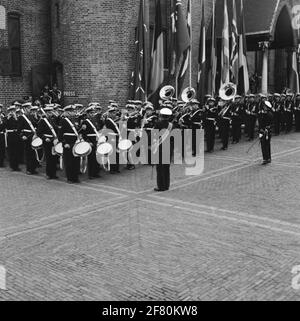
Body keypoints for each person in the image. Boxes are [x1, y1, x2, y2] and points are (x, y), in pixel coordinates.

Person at [59, 105, 81, 183]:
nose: (73, 112)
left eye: (73, 111)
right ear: (67, 112)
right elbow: (60, 134)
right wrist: (64, 143)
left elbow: (77, 131)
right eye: (72, 111)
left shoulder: (75, 120)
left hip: (75, 143)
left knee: (76, 161)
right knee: (69, 162)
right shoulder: (63, 121)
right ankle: (70, 178)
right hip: (68, 144)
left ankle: (75, 177)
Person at [153, 107, 173, 192]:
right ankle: (166, 185)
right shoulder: (172, 125)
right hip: (169, 148)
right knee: (166, 167)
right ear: (169, 117)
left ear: (161, 115)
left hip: (160, 148)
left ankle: (161, 186)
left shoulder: (158, 124)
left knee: (160, 168)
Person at [36, 105, 59, 179]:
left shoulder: (52, 120)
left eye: (50, 112)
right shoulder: (42, 121)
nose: (50, 114)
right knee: (49, 158)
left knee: (54, 158)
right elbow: (39, 132)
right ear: (45, 113)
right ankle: (49, 174)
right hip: (47, 141)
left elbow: (55, 128)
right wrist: (45, 138)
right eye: (48, 112)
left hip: (53, 140)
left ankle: (54, 174)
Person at [80, 106, 101, 179]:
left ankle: (96, 172)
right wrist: (88, 141)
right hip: (90, 140)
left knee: (97, 157)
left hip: (96, 140)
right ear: (87, 114)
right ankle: (91, 174)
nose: (92, 114)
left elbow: (98, 130)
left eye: (93, 113)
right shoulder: (85, 122)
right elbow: (83, 133)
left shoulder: (95, 120)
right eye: (91, 113)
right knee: (91, 158)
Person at [18, 105, 39, 175]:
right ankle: (29, 169)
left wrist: (37, 118)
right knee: (28, 154)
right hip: (27, 137)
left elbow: (36, 125)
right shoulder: (21, 117)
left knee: (33, 153)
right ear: (24, 109)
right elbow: (19, 129)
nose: (30, 110)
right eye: (28, 108)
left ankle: (33, 168)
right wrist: (22, 135)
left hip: (33, 136)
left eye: (30, 108)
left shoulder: (31, 116)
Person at [6, 106, 21, 171]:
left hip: (16, 135)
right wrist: (8, 118)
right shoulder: (6, 118)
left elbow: (19, 126)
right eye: (11, 110)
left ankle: (16, 166)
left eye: (13, 110)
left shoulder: (17, 118)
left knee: (17, 151)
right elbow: (4, 126)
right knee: (11, 151)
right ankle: (12, 166)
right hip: (10, 135)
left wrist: (15, 118)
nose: (12, 112)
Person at [258, 100, 273, 165]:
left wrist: (267, 128)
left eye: (265, 106)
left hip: (267, 132)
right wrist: (261, 130)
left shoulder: (269, 114)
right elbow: (261, 123)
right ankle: (265, 158)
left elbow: (271, 123)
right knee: (263, 145)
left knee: (266, 145)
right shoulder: (263, 114)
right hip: (262, 131)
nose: (264, 107)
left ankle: (267, 158)